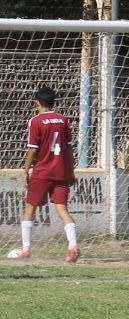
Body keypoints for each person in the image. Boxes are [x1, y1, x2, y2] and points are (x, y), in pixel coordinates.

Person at [13, 86, 80, 262]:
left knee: (30, 208)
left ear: (37, 103)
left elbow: (32, 150)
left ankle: (26, 250)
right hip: (61, 171)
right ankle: (73, 246)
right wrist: (71, 171)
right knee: (62, 209)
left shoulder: (35, 121)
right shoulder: (63, 120)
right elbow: (69, 148)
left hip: (42, 172)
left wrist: (25, 170)